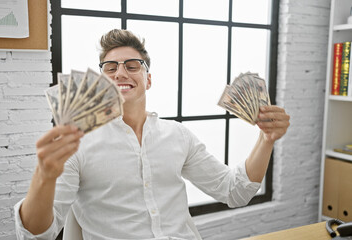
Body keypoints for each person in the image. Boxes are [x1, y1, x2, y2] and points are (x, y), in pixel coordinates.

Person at [14, 29, 290, 240]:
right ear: (101, 81)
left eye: (132, 65)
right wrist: (43, 176)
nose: (121, 72)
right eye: (111, 68)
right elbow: (37, 234)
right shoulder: (77, 144)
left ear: (148, 79)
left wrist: (266, 140)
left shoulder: (178, 135)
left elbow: (235, 192)